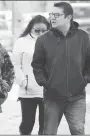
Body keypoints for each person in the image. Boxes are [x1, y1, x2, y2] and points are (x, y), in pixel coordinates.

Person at [31, 2, 90, 135]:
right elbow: (37, 65)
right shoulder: (43, 40)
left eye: (56, 14)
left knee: (78, 131)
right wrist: (46, 83)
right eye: (51, 14)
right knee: (49, 133)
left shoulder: (83, 37)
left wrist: (84, 80)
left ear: (69, 17)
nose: (52, 17)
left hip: (77, 97)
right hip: (52, 97)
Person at [12, 15, 50, 135]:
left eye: (44, 30)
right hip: (28, 91)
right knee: (27, 124)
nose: (40, 33)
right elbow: (16, 65)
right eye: (37, 30)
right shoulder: (21, 42)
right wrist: (23, 82)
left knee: (46, 126)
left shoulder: (53, 41)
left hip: (47, 90)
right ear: (30, 29)